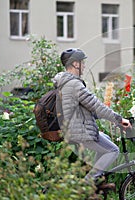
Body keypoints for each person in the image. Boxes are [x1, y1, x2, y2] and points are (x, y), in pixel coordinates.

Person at [53, 48, 131, 189]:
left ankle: (96, 180)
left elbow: (87, 109)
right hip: (80, 131)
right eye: (82, 62)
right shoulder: (74, 84)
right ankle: (87, 183)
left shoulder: (66, 82)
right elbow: (96, 106)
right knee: (113, 150)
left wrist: (110, 119)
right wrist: (119, 120)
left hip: (74, 129)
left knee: (105, 138)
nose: (84, 65)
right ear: (75, 64)